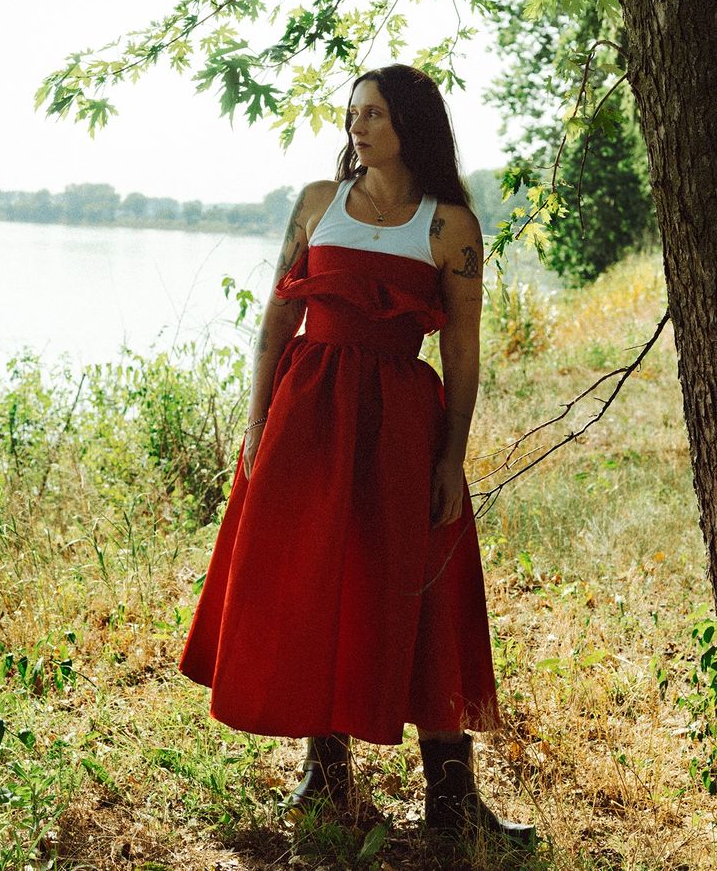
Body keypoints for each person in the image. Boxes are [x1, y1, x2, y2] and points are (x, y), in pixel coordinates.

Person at [179, 64, 534, 847]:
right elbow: (275, 326)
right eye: (352, 114)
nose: (356, 127)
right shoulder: (316, 204)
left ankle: (452, 798)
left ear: (411, 123)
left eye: (373, 113)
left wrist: (452, 457)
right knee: (317, 580)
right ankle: (325, 773)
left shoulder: (449, 226)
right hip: (311, 417)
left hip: (404, 424)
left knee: (419, 587)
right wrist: (255, 421)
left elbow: (464, 355)